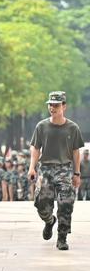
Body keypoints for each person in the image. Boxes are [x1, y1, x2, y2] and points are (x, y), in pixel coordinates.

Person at [28, 91, 84, 250]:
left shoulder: (72, 128)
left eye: (56, 105)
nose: (52, 108)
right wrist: (32, 168)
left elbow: (75, 151)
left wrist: (76, 173)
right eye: (50, 104)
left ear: (64, 106)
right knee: (42, 205)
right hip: (45, 169)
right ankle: (49, 221)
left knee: (66, 203)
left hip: (64, 169)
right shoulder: (42, 126)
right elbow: (36, 148)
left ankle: (62, 237)